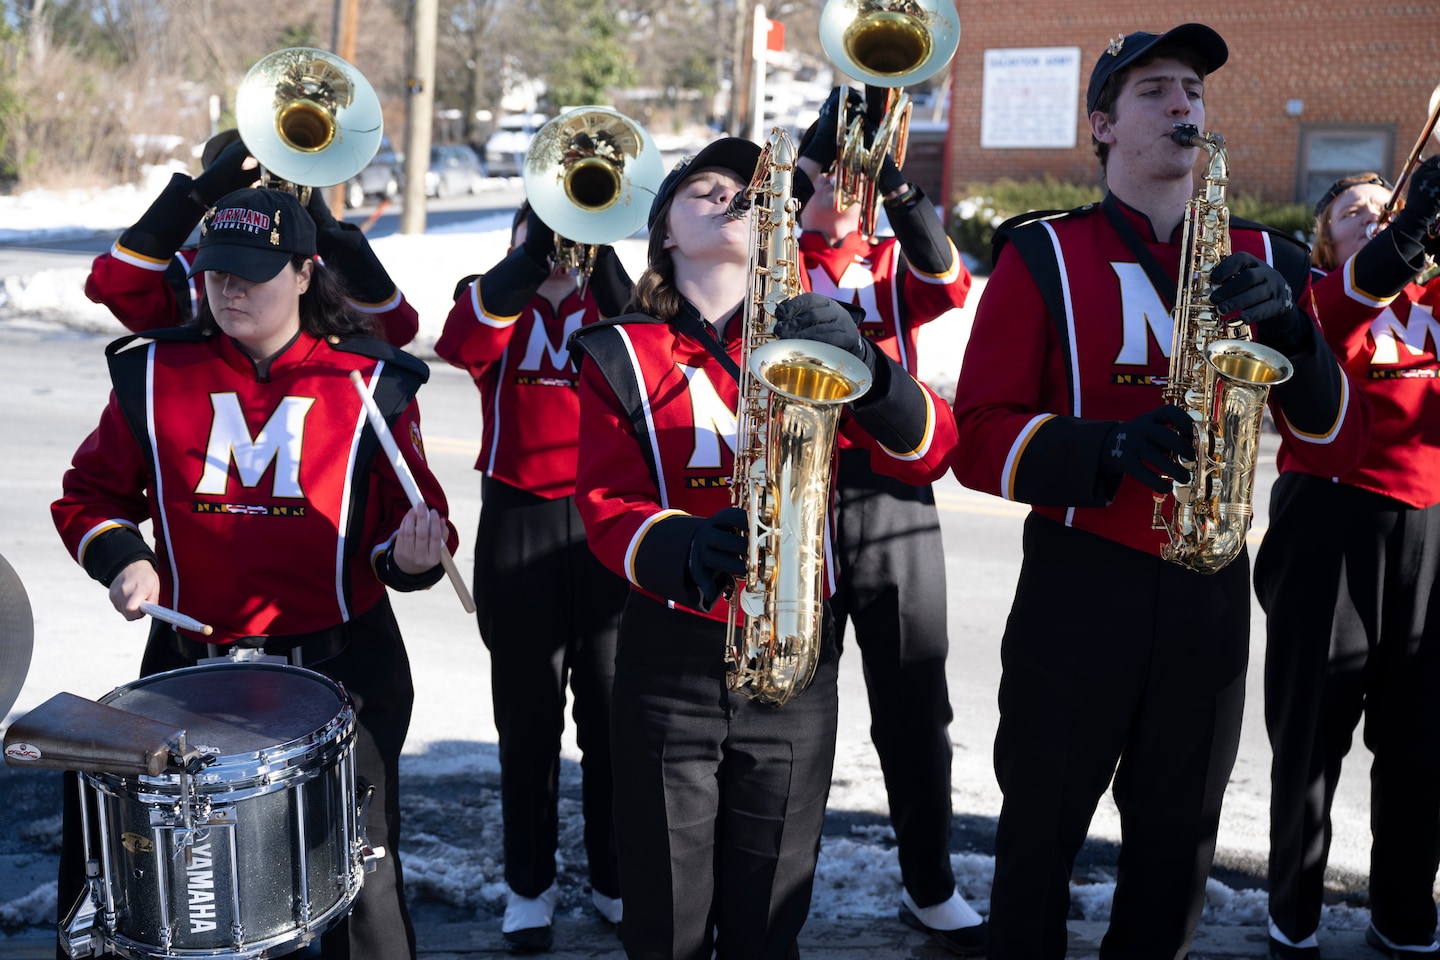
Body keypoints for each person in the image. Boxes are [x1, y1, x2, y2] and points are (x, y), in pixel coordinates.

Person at [948, 23, 1372, 959]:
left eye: (1193, 88)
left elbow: (1337, 441)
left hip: (1209, 588)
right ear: (1101, 125)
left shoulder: (1269, 257)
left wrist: (1301, 345)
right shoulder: (1040, 256)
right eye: (1153, 91)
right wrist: (1103, 449)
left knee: (1177, 851)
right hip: (1079, 581)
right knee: (1037, 846)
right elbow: (975, 440)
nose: (1184, 103)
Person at [568, 137, 957, 960]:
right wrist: (680, 545)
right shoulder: (619, 351)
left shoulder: (816, 330)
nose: (732, 198)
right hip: (669, 661)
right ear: (664, 231)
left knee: (770, 921)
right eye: (705, 189)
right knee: (666, 921)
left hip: (796, 660)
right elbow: (604, 507)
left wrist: (870, 368)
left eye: (748, 190)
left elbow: (930, 451)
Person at [51, 186, 458, 960]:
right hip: (190, 669)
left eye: (252, 274)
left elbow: (412, 526)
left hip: (343, 667)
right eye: (215, 273)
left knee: (359, 875)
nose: (228, 289)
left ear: (306, 273)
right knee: (188, 891)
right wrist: (125, 559)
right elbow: (89, 497)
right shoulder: (155, 372)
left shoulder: (371, 380)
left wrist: (410, 556)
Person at [792, 86, 983, 953]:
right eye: (828, 176)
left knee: (914, 702)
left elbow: (948, 276)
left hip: (890, 495)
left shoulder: (885, 255)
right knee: (793, 706)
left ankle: (930, 881)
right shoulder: (770, 252)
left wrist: (898, 188)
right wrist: (798, 183)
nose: (844, 190)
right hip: (795, 496)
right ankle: (776, 885)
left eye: (852, 175)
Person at [434, 201, 633, 952]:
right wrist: (529, 257)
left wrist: (597, 247)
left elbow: (651, 336)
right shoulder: (492, 298)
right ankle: (530, 885)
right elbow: (459, 343)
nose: (556, 249)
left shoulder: (608, 299)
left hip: (607, 522)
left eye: (565, 235)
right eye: (541, 233)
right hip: (518, 520)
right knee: (527, 718)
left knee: (613, 715)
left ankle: (614, 876)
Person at [1256, 156, 1440, 960]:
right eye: (1351, 213)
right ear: (1327, 242)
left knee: (1420, 738)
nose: (1371, 215)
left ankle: (1404, 913)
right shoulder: (1312, 298)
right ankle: (1292, 913)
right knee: (1312, 731)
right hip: (1327, 521)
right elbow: (1336, 313)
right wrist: (1401, 232)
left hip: (1427, 526)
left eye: (1384, 205)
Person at [85, 128, 420, 347]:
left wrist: (327, 232)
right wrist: (195, 198)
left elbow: (397, 331)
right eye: (245, 179)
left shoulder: (309, 266)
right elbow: (111, 287)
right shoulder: (193, 269)